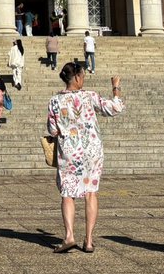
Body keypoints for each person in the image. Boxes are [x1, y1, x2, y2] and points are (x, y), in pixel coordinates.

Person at [46, 61, 125, 253]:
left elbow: (53, 130)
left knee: (68, 193)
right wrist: (115, 88)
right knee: (91, 193)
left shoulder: (55, 101)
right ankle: (88, 240)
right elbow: (115, 108)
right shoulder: (90, 96)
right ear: (78, 78)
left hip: (70, 152)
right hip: (92, 151)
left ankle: (69, 236)